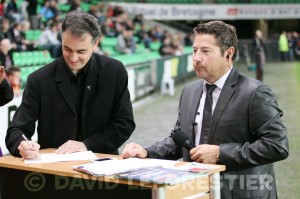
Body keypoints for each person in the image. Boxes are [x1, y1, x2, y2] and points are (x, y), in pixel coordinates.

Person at [122, 21, 289, 199]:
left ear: (228, 53)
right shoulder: (189, 92)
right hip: (195, 192)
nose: (196, 58)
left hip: (242, 193)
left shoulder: (255, 92)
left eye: (205, 51)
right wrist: (148, 152)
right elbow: (180, 140)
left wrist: (219, 153)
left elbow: (276, 145)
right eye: (195, 50)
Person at [6, 11, 135, 159]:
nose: (73, 58)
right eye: (67, 49)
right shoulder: (39, 79)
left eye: (81, 51)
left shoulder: (114, 71)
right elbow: (17, 129)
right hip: (54, 170)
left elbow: (124, 123)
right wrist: (21, 144)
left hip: (102, 166)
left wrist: (87, 145)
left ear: (96, 43)